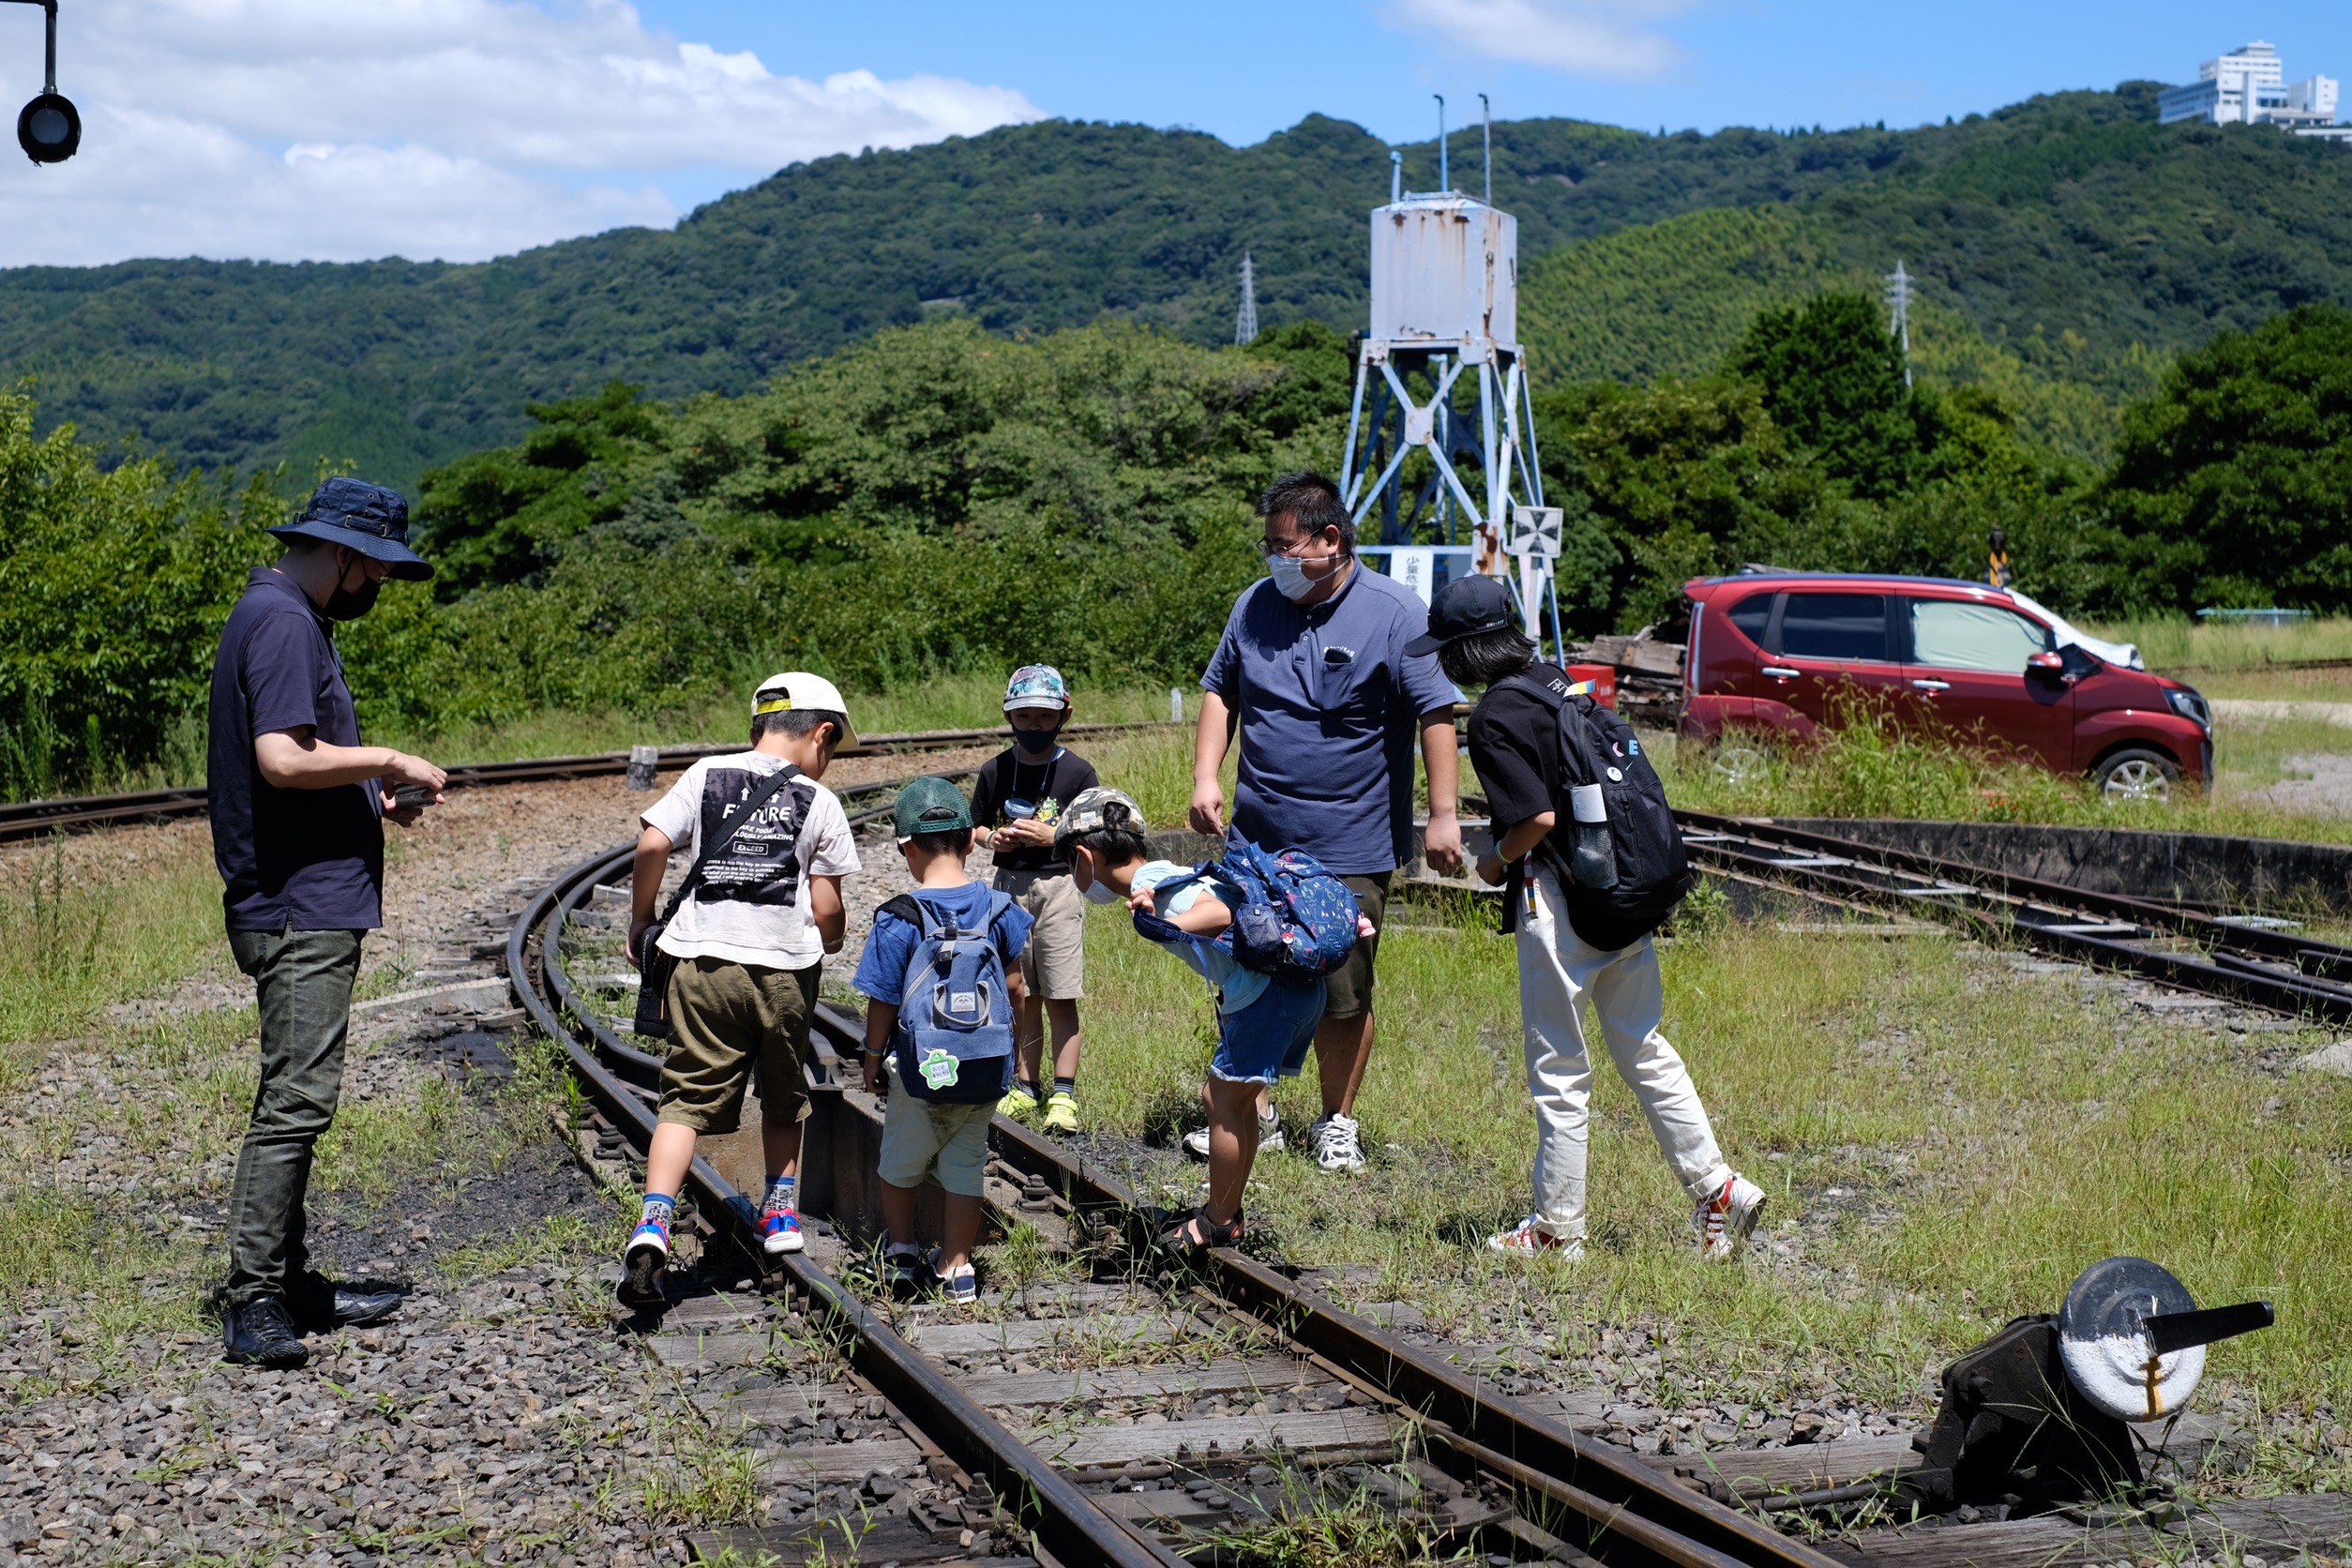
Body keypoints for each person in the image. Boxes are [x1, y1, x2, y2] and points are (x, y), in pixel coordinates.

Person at [1408, 574, 1765, 1260]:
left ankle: (1555, 1228)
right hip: (1623, 892)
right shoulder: (1555, 680)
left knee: (1560, 1070)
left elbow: (1534, 819)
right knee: (1643, 1045)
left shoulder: (1493, 717)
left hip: (1563, 902)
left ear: (1465, 653)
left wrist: (1491, 865)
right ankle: (1718, 1188)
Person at [208, 477, 442, 1369]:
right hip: (297, 904)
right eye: (377, 571)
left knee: (299, 1099)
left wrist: (369, 794)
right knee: (296, 1101)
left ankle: (292, 1282)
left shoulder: (289, 617)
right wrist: (384, 754)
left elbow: (304, 763)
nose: (380, 587)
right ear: (343, 555)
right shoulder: (281, 621)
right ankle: (254, 1297)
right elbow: (279, 757)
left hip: (310, 895)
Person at [1190, 471, 1465, 1174]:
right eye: (1270, 546)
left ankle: (1336, 1119)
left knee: (1342, 992)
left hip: (1351, 843)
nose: (1274, 559)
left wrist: (1442, 816)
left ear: (1330, 540)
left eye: (1285, 546)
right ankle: (1256, 1108)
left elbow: (1437, 713)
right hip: (1258, 841)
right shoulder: (1254, 607)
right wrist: (1205, 776)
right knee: (1250, 974)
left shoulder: (1397, 613)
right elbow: (1222, 691)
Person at [618, 673, 863, 1308]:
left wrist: (641, 919)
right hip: (782, 972)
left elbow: (652, 842)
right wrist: (830, 938)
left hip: (700, 965)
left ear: (758, 727)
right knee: (784, 1094)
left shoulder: (706, 775)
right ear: (822, 734)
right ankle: (780, 1216)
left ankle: (653, 1222)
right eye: (831, 750)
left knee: (683, 1099)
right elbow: (828, 904)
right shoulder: (820, 801)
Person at [1056, 787, 1366, 1253]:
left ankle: (1217, 1220)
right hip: (1295, 991)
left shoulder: (1158, 888)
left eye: (1069, 866)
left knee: (1220, 1100)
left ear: (1085, 857)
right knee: (1235, 1102)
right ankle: (1227, 1212)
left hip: (1268, 995)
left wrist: (1171, 925)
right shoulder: (1166, 875)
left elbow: (1226, 910)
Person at [853, 777, 1033, 1304]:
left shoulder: (899, 916)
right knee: (966, 1163)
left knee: (901, 1160)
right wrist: (1014, 1046)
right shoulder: (1001, 909)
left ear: (907, 846)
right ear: (970, 839)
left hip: (920, 1066)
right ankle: (957, 1268)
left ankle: (903, 1251)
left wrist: (870, 1056)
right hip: (984, 1062)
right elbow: (1016, 986)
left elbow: (884, 999)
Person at [968, 664, 1100, 1133]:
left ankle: (1063, 1093)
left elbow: (1094, 837)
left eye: (1044, 717)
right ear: (1009, 717)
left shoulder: (1079, 772)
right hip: (1008, 888)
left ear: (1064, 715)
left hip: (1060, 887)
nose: (1034, 726)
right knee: (1017, 991)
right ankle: (1026, 1085)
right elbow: (974, 826)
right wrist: (991, 840)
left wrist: (1054, 835)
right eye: (1023, 717)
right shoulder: (995, 769)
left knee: (1060, 992)